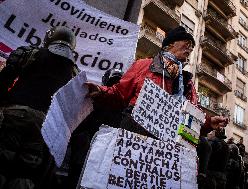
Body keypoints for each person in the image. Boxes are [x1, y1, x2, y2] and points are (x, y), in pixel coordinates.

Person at [85, 26, 229, 137]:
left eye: (191, 46)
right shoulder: (144, 65)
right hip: (135, 134)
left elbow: (191, 122)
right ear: (169, 45)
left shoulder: (188, 83)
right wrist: (100, 91)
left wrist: (209, 123)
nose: (190, 48)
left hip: (168, 144)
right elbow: (119, 94)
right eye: (186, 43)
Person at [0, 26, 77, 189]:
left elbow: (4, 79)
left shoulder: (29, 53)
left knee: (2, 160)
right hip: (44, 124)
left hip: (15, 112)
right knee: (26, 171)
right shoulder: (74, 73)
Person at [67, 68, 124, 189]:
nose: (113, 86)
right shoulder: (92, 101)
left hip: (96, 158)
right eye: (112, 82)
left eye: (116, 83)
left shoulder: (121, 109)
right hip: (86, 155)